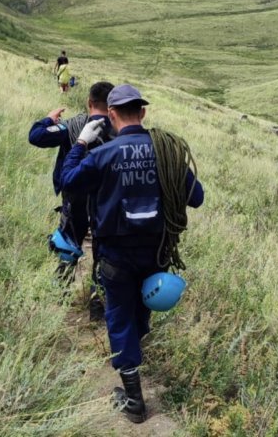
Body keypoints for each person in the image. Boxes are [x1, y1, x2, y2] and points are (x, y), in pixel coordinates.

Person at [60, 84, 204, 423]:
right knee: (139, 315)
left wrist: (81, 141)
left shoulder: (102, 154)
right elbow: (196, 198)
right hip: (157, 255)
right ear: (142, 113)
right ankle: (133, 353)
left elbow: (69, 180)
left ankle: (135, 399)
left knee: (120, 317)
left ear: (110, 116)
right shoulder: (166, 152)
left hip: (115, 255)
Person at [28, 81, 115, 319]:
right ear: (112, 106)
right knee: (104, 253)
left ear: (89, 102)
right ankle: (98, 306)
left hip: (74, 199)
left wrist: (48, 119)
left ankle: (59, 298)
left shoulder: (73, 125)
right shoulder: (119, 129)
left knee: (67, 246)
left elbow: (36, 137)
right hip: (105, 204)